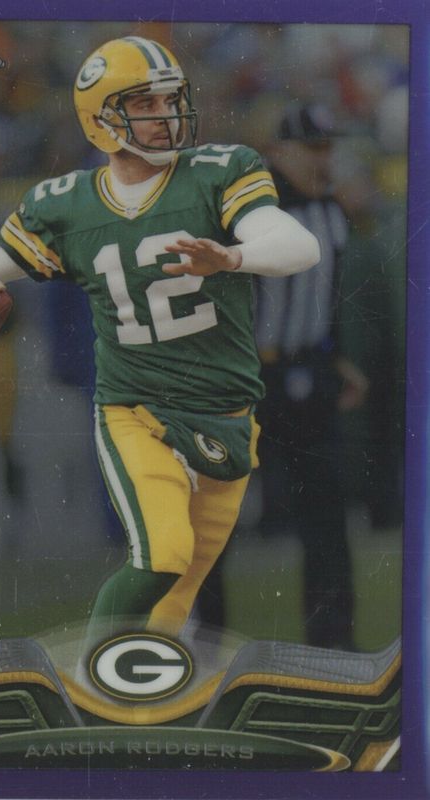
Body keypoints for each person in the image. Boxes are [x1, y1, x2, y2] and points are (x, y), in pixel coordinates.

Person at [0, 37, 320, 648]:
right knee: (163, 554)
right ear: (101, 118)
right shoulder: (66, 203)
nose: (165, 115)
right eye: (144, 103)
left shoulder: (220, 171)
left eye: (171, 99)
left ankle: (133, 690)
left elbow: (298, 244)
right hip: (136, 408)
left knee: (180, 590)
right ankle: (90, 672)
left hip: (226, 411)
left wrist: (233, 256)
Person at [254, 103, 368, 650]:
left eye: (329, 147)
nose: (325, 159)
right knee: (215, 520)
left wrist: (336, 355)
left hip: (308, 370)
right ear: (280, 151)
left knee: (326, 515)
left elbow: (330, 293)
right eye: (313, 148)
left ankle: (332, 645)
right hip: (251, 375)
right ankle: (201, 647)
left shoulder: (330, 210)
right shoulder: (252, 210)